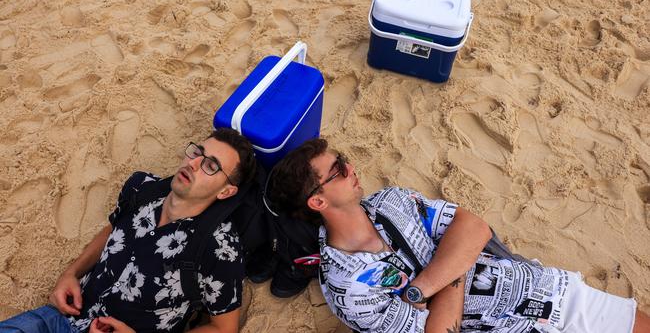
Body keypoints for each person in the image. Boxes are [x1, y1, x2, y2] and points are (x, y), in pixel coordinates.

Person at [267, 138, 650, 333]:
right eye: (338, 169)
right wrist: (456, 260)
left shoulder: (390, 201)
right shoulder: (348, 287)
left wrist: (421, 291)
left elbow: (474, 226)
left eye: (344, 159)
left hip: (543, 291)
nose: (351, 168)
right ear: (317, 201)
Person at [0, 128, 257, 333]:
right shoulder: (141, 188)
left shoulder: (221, 250)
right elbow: (113, 230)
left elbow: (224, 327)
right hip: (66, 319)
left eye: (211, 166)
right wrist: (71, 273)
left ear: (226, 191)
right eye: (197, 152)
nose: (194, 163)